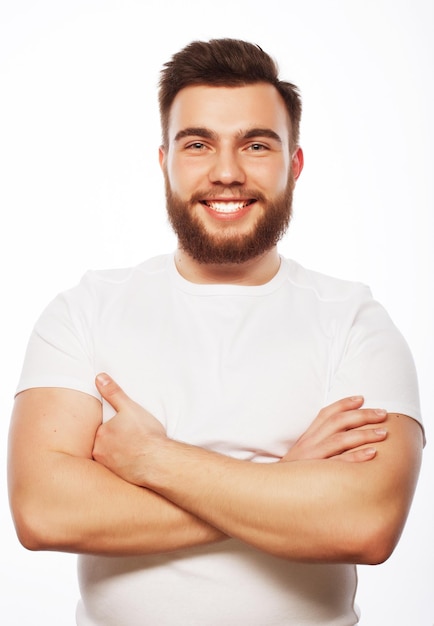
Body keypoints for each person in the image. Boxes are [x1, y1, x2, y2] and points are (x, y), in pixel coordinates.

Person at [8, 38, 424, 626]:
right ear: (165, 162)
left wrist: (154, 461)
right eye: (198, 144)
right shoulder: (84, 310)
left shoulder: (354, 321)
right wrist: (283, 484)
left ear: (294, 165)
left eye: (256, 145)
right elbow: (44, 512)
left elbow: (366, 524)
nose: (227, 173)